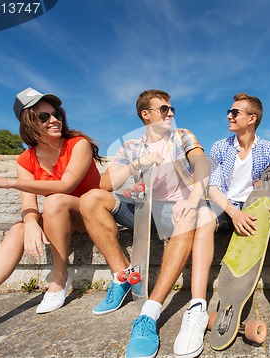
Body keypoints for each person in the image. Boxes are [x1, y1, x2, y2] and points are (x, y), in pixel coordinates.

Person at [79, 89, 209, 358]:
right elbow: (105, 184)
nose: (170, 113)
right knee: (91, 199)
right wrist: (139, 162)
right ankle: (122, 277)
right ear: (146, 115)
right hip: (144, 211)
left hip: (178, 209)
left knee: (189, 216)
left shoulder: (182, 136)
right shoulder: (131, 147)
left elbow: (201, 163)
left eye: (172, 109)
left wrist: (194, 198)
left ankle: (149, 314)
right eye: (164, 109)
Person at [173, 93, 270, 358]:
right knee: (201, 218)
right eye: (229, 112)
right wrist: (234, 213)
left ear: (251, 118)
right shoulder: (221, 146)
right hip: (225, 207)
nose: (229, 116)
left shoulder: (268, 149)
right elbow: (213, 188)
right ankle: (198, 306)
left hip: (253, 209)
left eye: (235, 113)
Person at [0, 87, 102, 316]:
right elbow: (29, 205)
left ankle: (59, 277)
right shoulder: (26, 159)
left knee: (55, 200)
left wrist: (7, 182)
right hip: (59, 220)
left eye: (57, 115)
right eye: (44, 117)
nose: (54, 120)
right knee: (18, 229)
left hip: (91, 214)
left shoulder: (78, 144)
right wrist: (32, 224)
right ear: (28, 123)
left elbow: (66, 186)